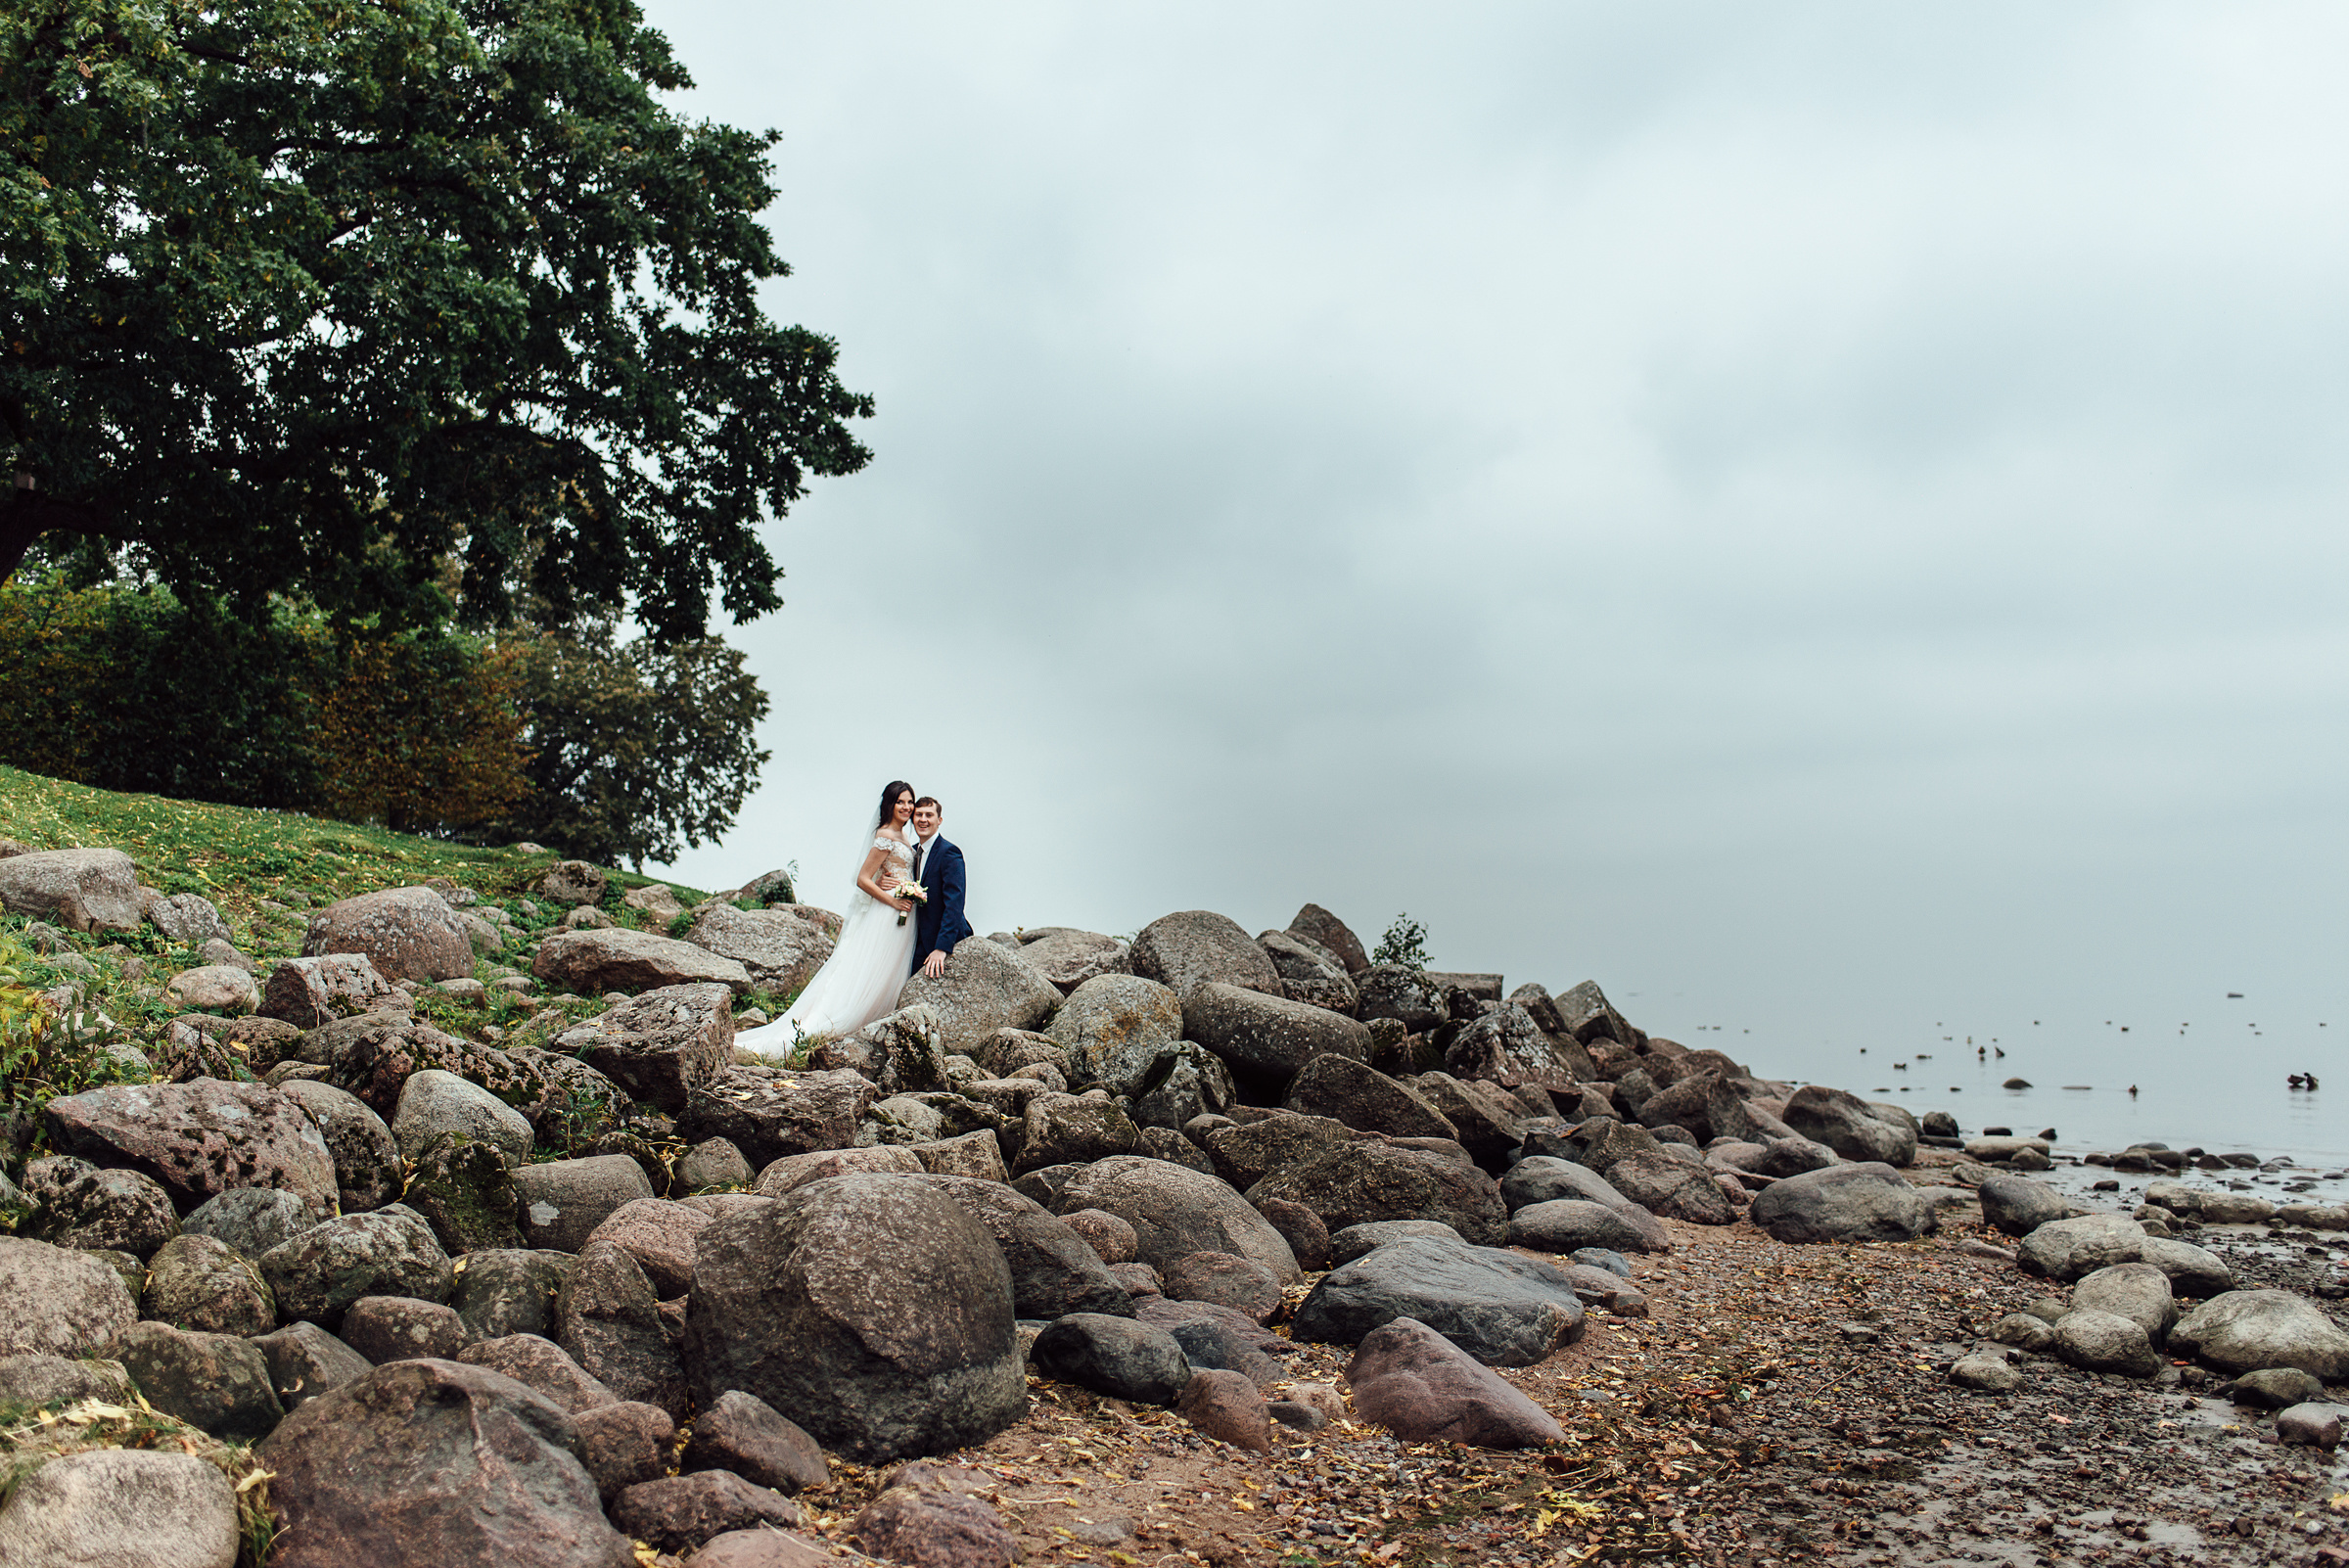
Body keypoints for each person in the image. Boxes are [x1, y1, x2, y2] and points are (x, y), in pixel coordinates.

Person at [735, 780, 919, 1055]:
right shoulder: (886, 835)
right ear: (890, 805)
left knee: (888, 969)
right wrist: (893, 901)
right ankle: (846, 1019)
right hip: (887, 911)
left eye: (909, 802)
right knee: (870, 966)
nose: (906, 807)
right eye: (900, 802)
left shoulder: (905, 837)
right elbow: (862, 879)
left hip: (904, 912)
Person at [905, 796, 974, 980]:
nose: (923, 820)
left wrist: (942, 948)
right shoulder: (911, 852)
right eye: (918, 814)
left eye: (929, 815)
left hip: (945, 939)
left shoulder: (949, 853)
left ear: (939, 820)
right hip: (917, 939)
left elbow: (955, 902)